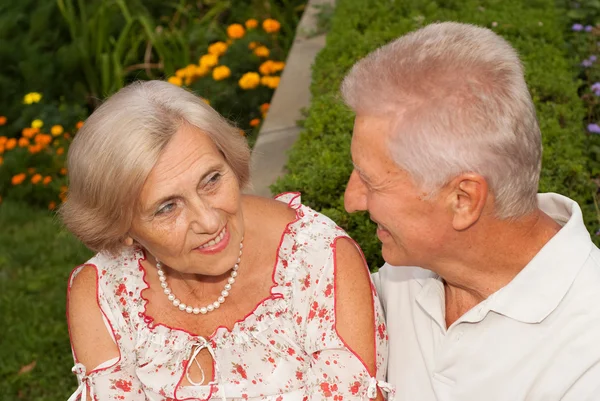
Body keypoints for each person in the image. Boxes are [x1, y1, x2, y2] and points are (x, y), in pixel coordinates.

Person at [62, 80, 392, 401]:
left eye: (211, 179)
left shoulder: (316, 260)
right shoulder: (106, 292)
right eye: (167, 207)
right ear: (123, 229)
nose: (209, 220)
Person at [341, 22, 600, 400]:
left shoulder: (587, 359)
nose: (351, 200)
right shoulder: (409, 266)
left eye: (371, 181)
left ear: (463, 200)